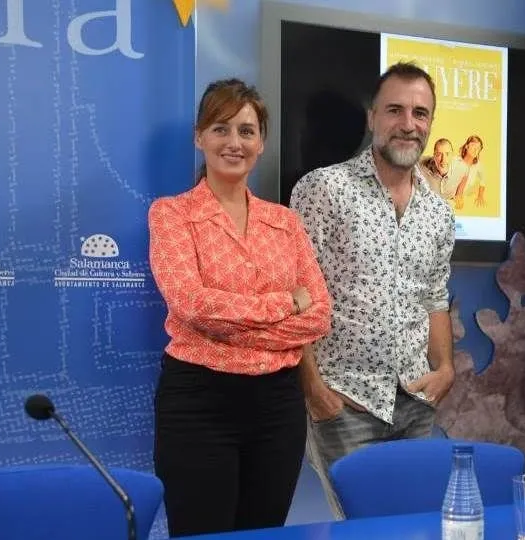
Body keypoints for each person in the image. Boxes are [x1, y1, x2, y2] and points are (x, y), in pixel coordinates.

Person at [148, 78, 332, 537]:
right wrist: (284, 303)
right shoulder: (171, 214)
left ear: (261, 143)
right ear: (200, 137)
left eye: (247, 131)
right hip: (198, 403)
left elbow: (320, 314)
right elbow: (191, 305)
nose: (234, 142)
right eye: (221, 128)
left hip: (277, 407)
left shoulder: (285, 222)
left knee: (262, 532)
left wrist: (230, 326)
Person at [288, 62, 456, 519]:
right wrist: (313, 390)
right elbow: (294, 295)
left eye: (420, 114)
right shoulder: (323, 189)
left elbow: (435, 297)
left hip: (417, 404)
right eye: (395, 110)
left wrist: (445, 369)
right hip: (345, 403)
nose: (408, 124)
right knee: (361, 530)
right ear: (372, 118)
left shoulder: (439, 213)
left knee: (413, 528)